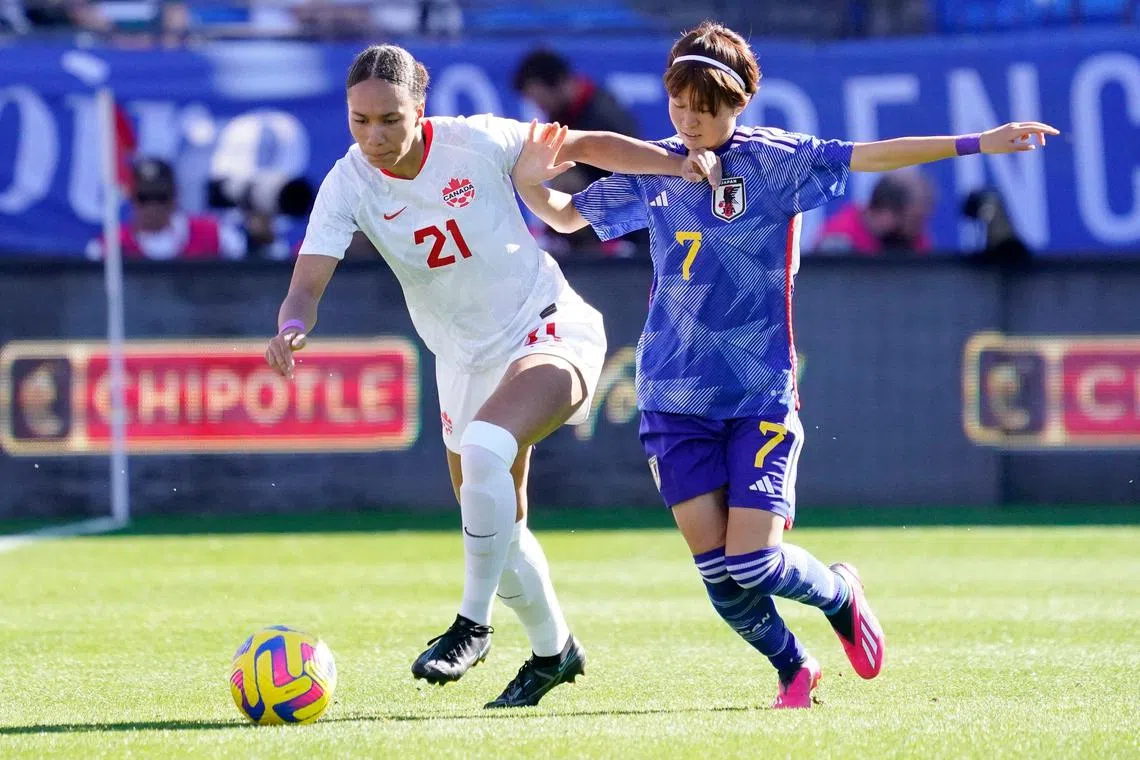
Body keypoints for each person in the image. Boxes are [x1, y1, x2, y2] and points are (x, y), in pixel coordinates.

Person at [510, 21, 1058, 709]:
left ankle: (839, 592)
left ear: (739, 104)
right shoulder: (656, 168)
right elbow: (564, 219)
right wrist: (532, 182)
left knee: (754, 561)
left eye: (705, 109)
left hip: (757, 394)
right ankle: (793, 667)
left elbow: (872, 155)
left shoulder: (776, 162)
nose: (690, 121)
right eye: (679, 105)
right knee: (717, 572)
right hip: (671, 397)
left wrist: (979, 141)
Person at [263, 44, 712, 709]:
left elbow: (587, 143)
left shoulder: (477, 141)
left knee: (484, 449)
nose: (374, 136)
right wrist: (292, 326)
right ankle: (554, 651)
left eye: (389, 118)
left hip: (548, 326)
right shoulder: (348, 182)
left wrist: (676, 161)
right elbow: (305, 286)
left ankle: (471, 626)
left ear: (421, 109)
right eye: (360, 121)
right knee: (498, 524)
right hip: (463, 359)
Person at [512, 48, 643, 256]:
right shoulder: (565, 113)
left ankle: (598, 247)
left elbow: (632, 175)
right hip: (595, 209)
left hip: (630, 222)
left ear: (559, 84)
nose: (539, 106)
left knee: (564, 178)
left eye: (539, 99)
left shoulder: (603, 115)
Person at [87, 157, 245, 261]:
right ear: (131, 197)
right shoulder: (110, 246)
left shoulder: (215, 234)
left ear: (175, 196)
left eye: (161, 197)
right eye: (144, 198)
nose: (153, 206)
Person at [814, 169, 934, 255]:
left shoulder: (914, 240)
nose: (916, 229)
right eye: (914, 220)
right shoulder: (839, 242)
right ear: (886, 212)